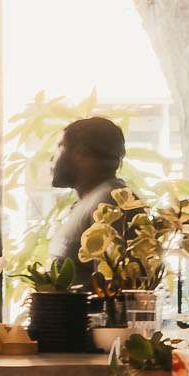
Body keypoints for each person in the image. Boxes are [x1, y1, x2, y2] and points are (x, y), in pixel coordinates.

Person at [45, 114, 128, 284]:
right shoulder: (89, 202)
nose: (52, 159)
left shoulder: (109, 202)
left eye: (59, 147)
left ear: (81, 152)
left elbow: (115, 293)